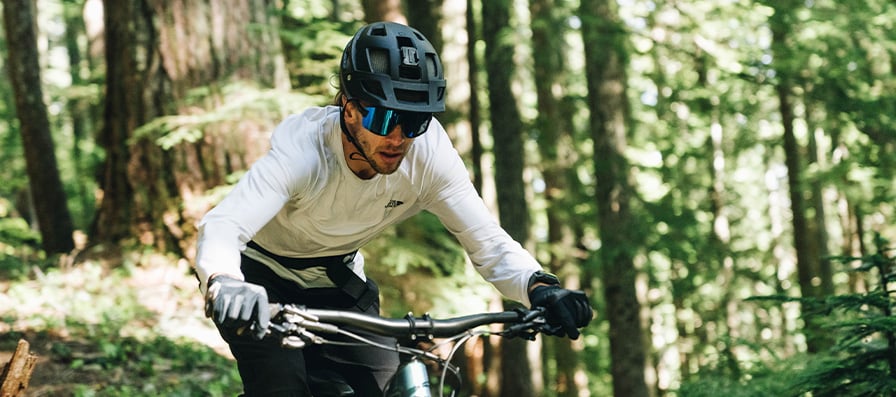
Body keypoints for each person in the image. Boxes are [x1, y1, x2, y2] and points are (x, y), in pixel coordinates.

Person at [194, 21, 592, 396]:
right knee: (283, 388)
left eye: (415, 121)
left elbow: (486, 241)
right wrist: (224, 281)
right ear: (349, 109)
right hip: (260, 281)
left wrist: (539, 288)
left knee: (394, 387)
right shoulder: (305, 151)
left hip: (339, 283)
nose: (399, 138)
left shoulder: (429, 155)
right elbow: (225, 225)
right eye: (385, 118)